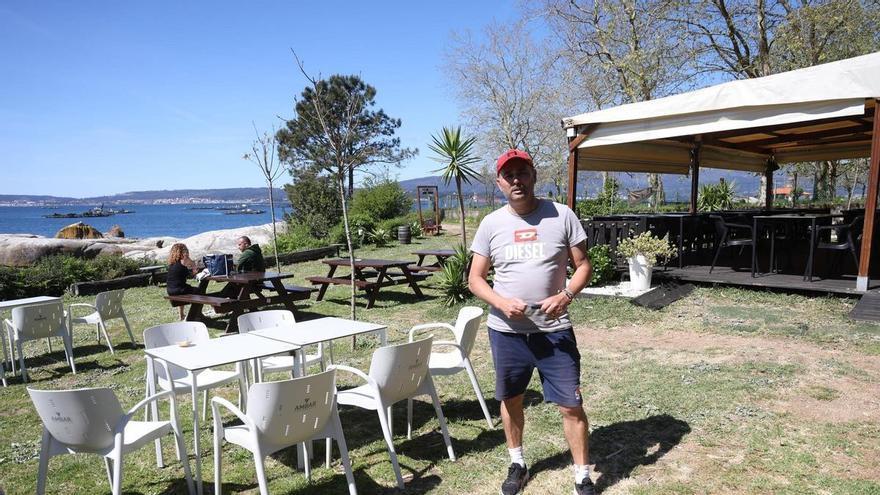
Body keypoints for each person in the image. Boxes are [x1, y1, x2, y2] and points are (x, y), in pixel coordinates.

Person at [468, 149, 594, 495]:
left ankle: (582, 476)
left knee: (571, 404)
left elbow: (583, 265)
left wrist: (566, 295)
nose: (516, 180)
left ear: (533, 175)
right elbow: (475, 278)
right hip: (507, 333)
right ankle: (518, 462)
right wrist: (500, 301)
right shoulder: (491, 224)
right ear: (499, 183)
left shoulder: (562, 215)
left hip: (554, 332)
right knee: (511, 399)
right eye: (509, 176)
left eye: (522, 173)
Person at [166, 242, 198, 320]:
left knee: (186, 288)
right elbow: (192, 266)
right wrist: (194, 267)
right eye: (185, 251)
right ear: (182, 253)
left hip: (170, 290)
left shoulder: (172, 264)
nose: (186, 253)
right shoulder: (183, 261)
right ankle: (197, 314)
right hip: (179, 290)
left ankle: (181, 315)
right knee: (200, 291)